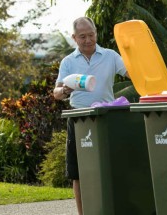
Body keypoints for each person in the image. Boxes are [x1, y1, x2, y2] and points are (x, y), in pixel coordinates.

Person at [53, 16, 128, 215]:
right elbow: (57, 93)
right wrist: (66, 90)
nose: (88, 40)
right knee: (78, 173)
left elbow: (131, 72)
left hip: (106, 117)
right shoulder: (68, 62)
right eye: (82, 36)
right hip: (79, 118)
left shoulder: (110, 56)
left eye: (91, 35)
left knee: (111, 167)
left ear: (96, 33)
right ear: (74, 38)